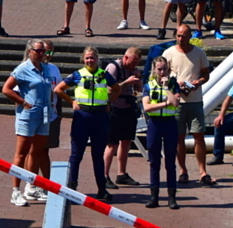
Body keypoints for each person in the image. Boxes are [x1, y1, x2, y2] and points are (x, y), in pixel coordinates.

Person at [54, 46, 117, 201]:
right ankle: (72, 187)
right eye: (87, 58)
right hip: (82, 116)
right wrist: (72, 101)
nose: (90, 60)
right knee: (76, 154)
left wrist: (109, 102)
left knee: (98, 155)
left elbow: (117, 89)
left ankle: (101, 189)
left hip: (100, 117)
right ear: (83, 59)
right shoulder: (78, 75)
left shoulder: (104, 75)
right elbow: (58, 89)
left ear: (97, 59)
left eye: (92, 57)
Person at [1, 39, 54, 207]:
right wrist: (22, 102)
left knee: (37, 152)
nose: (41, 53)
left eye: (43, 51)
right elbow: (6, 89)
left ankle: (31, 186)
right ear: (30, 51)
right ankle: (15, 191)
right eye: (38, 51)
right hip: (28, 116)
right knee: (21, 153)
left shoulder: (46, 68)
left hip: (43, 115)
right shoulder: (23, 69)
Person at [163, 23, 214, 185]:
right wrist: (174, 83)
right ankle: (183, 171)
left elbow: (206, 74)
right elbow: (161, 76)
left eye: (184, 36)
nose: (180, 39)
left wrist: (198, 82)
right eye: (178, 36)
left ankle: (202, 171)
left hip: (195, 101)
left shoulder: (199, 53)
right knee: (179, 137)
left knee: (199, 135)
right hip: (176, 101)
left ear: (190, 36)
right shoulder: (168, 53)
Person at [142, 55, 181, 209]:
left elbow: (176, 103)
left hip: (170, 123)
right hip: (155, 123)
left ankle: (172, 197)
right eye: (159, 69)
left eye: (164, 69)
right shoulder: (149, 85)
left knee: (170, 161)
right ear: (154, 70)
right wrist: (164, 104)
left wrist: (166, 89)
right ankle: (154, 196)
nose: (162, 72)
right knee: (154, 161)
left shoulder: (173, 84)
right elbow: (147, 107)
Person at [102, 46, 143, 189]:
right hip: (114, 109)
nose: (134, 65)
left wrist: (138, 79)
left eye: (137, 63)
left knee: (126, 142)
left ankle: (122, 174)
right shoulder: (113, 68)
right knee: (112, 144)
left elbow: (139, 89)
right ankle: (104, 176)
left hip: (128, 108)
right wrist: (126, 82)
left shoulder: (133, 69)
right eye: (133, 62)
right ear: (125, 57)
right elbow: (107, 89)